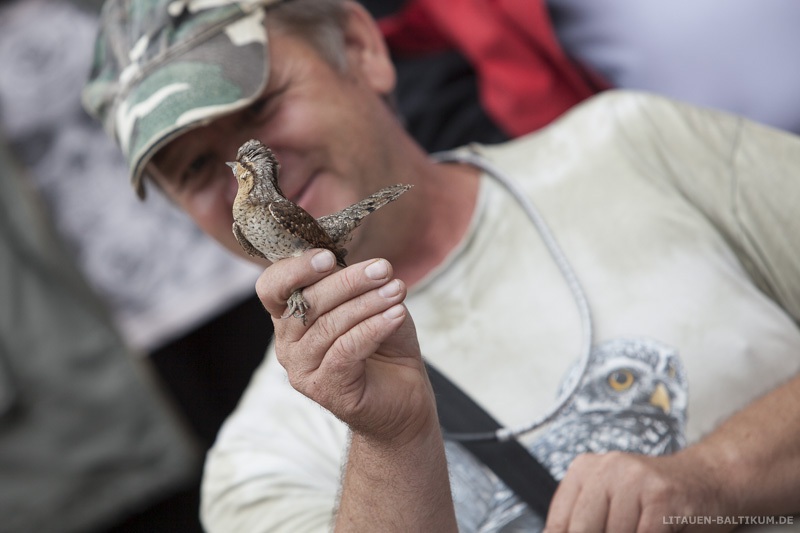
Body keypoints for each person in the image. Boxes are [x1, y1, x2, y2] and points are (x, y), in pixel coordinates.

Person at [82, 0, 800, 531]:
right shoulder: (254, 462)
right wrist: (390, 439)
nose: (251, 164)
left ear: (362, 45)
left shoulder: (639, 145)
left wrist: (713, 475)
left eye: (262, 105)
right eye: (196, 167)